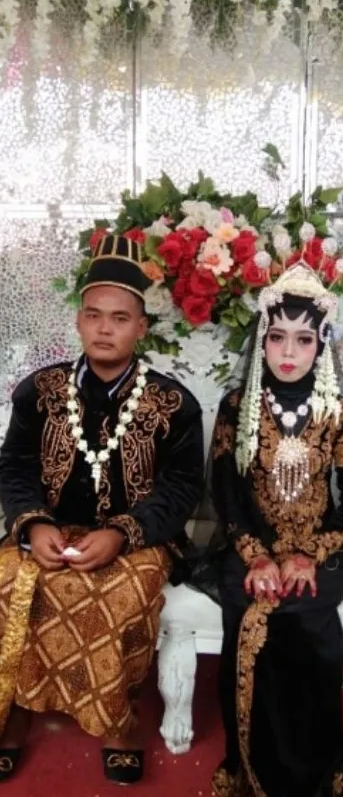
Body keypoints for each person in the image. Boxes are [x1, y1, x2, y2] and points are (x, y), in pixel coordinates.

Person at [0, 233, 204, 785]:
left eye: (120, 317)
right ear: (79, 322)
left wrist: (121, 534)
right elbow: (13, 466)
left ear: (141, 327)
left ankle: (118, 721)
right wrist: (33, 522)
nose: (105, 327)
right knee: (10, 577)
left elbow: (184, 487)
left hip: (136, 539)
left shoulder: (174, 403)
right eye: (94, 315)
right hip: (44, 530)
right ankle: (15, 711)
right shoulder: (38, 391)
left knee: (122, 589)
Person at [211, 262, 343, 797]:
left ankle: (310, 764)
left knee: (304, 613)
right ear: (262, 340)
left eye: (303, 339)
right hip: (249, 544)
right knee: (251, 608)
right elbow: (226, 492)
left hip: (321, 551)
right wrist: (256, 554)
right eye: (277, 336)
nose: (288, 352)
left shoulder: (339, 412)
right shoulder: (238, 409)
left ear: (321, 343)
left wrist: (312, 552)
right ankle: (252, 769)